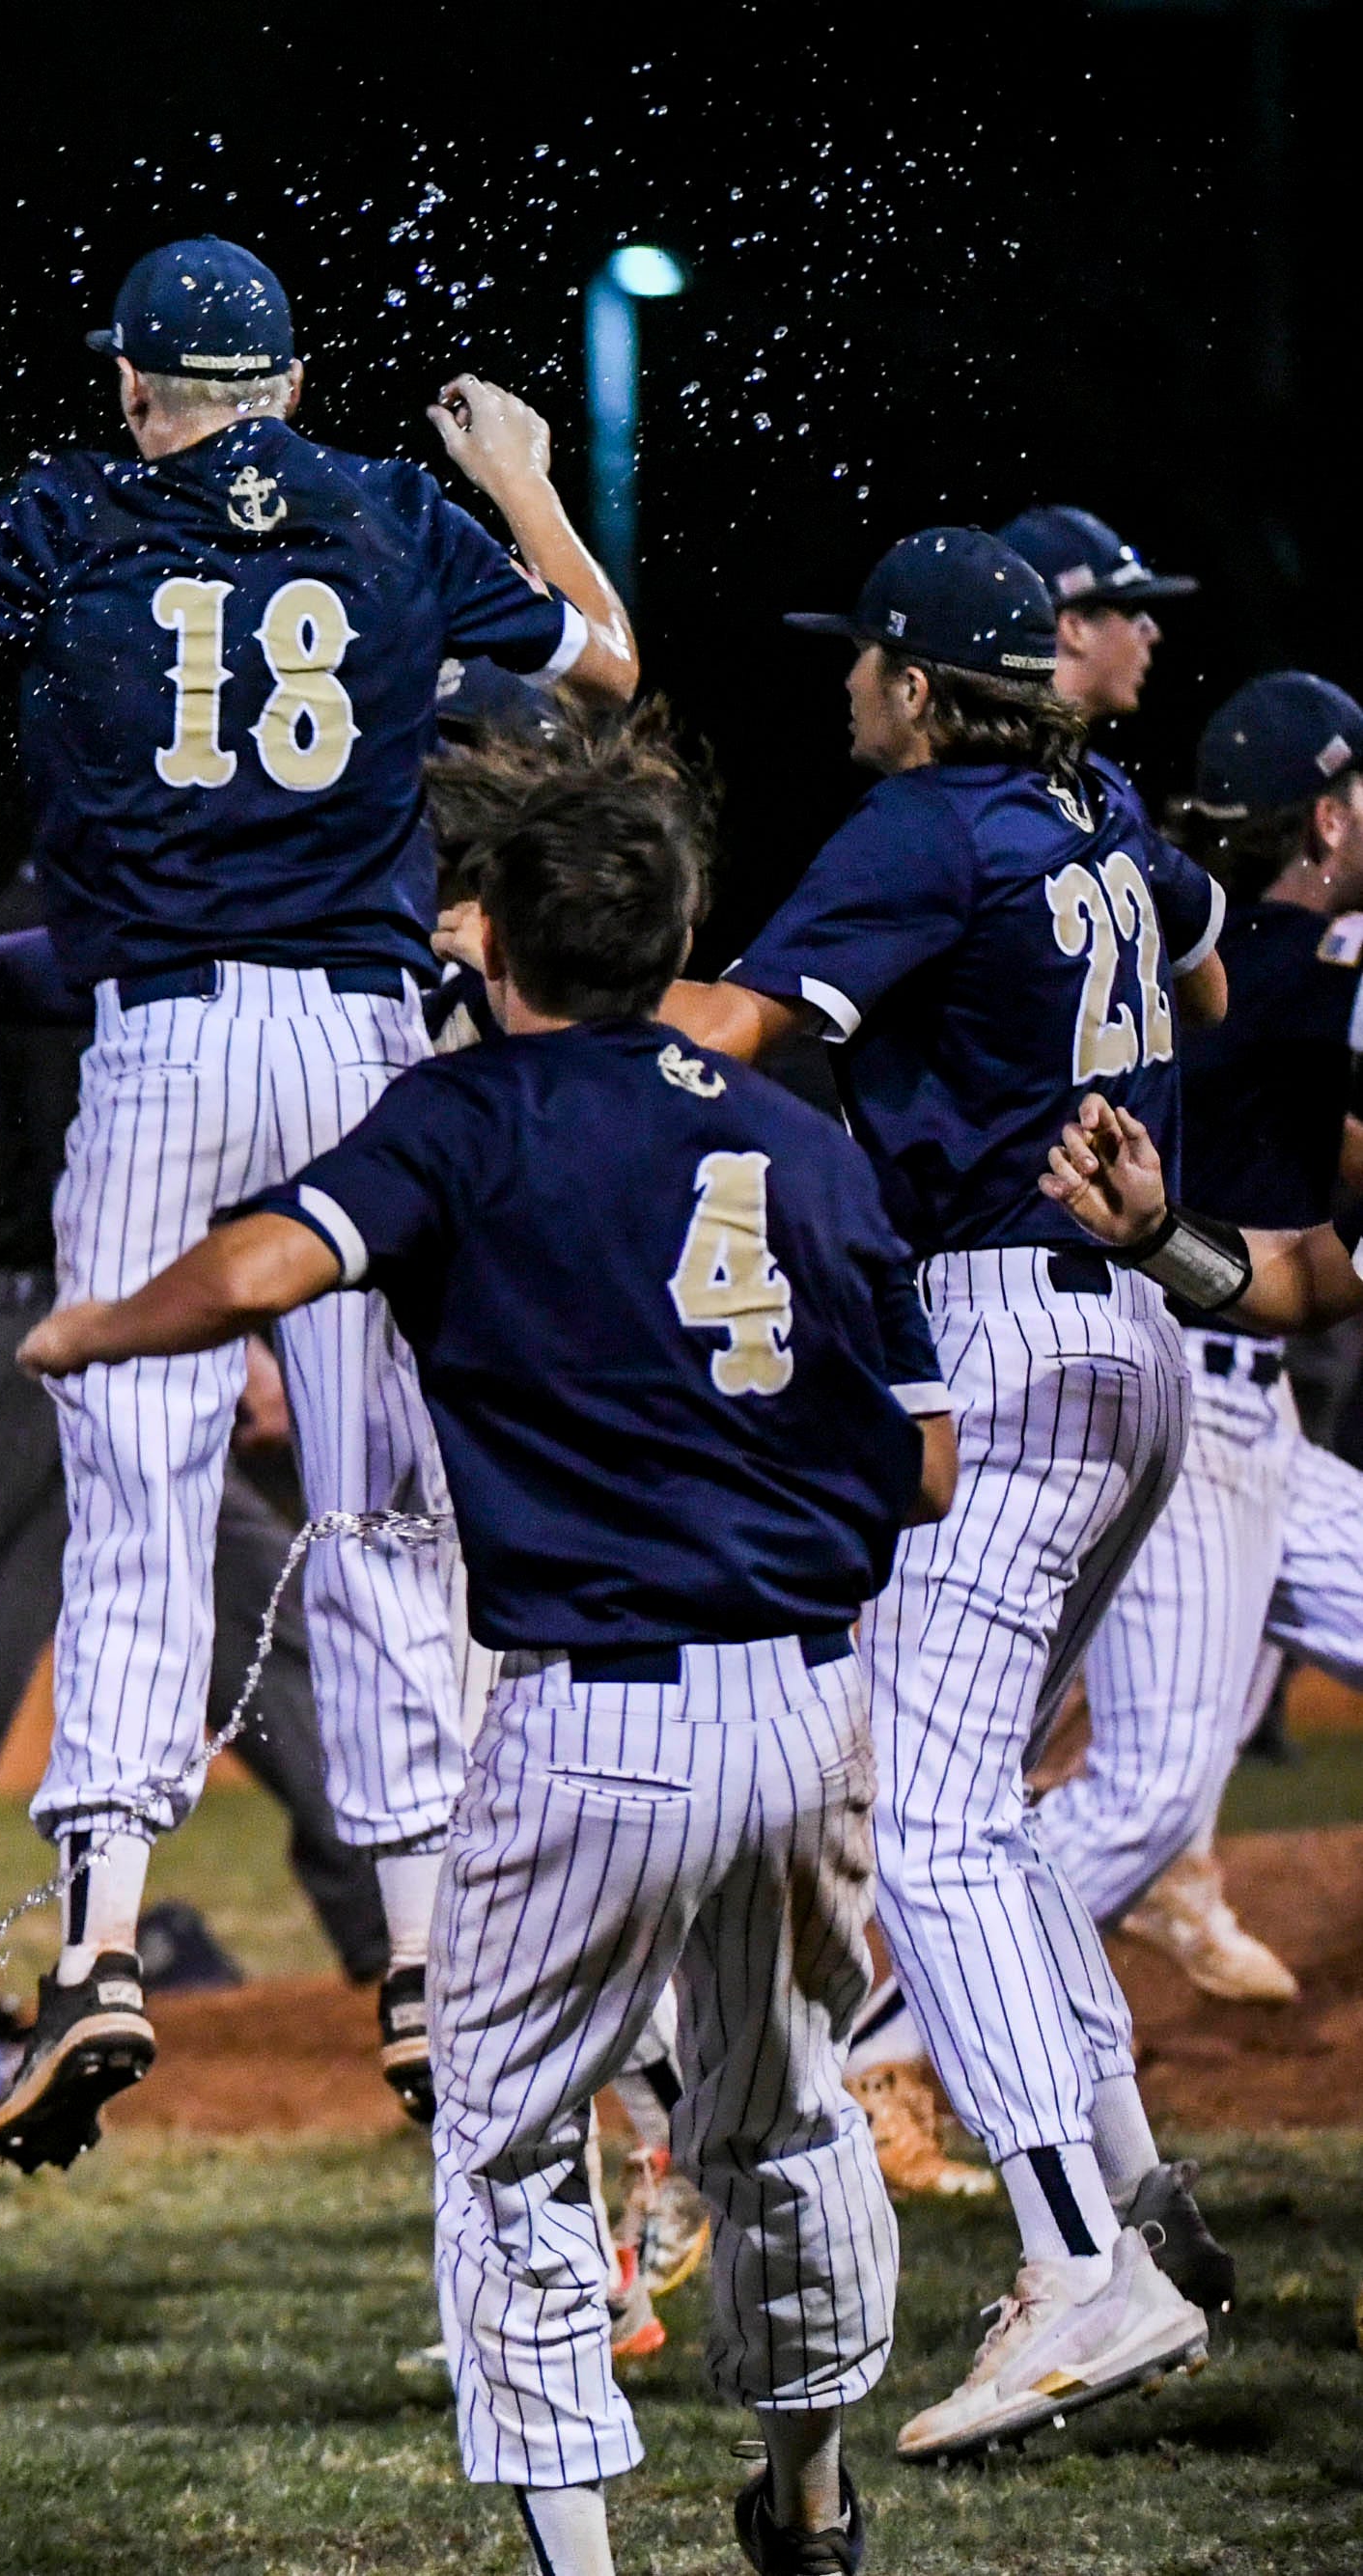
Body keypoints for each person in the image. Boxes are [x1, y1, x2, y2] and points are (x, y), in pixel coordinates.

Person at [0, 237, 637, 2172]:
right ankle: (418, 1955)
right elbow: (606, 668)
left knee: (135, 1471)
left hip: (153, 1042)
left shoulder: (80, 512)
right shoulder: (394, 516)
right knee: (388, 1497)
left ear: (142, 389)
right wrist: (522, 481)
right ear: (294, 382)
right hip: (360, 1047)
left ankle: (94, 1945)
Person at [20, 733, 940, 2576]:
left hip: (597, 1712)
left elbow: (273, 1265)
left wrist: (106, 1320)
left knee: (509, 2133)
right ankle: (814, 2499)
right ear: (679, 932)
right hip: (813, 1705)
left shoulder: (470, 1110)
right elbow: (920, 1461)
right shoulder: (795, 1133)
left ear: (496, 944)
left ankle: (581, 2562)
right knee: (787, 2111)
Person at [660, 525, 1229, 2459]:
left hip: (1006, 1330)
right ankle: (1133, 2194)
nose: (845, 689)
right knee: (976, 1806)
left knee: (929, 1828)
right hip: (1130, 1337)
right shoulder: (1091, 815)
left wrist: (547, 1047)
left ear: (912, 683)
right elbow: (1201, 944)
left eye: (860, 663)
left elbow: (738, 1035)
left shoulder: (930, 825)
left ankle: (1083, 2259)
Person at [0, 867, 389, 2069]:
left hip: (6, 1324)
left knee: (254, 1618)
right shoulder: (101, 930)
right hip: (72, 1330)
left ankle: (395, 1923)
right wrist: (236, 1322)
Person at [1043, 673, 1363, 2006]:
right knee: (1140, 1800)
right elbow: (1307, 1271)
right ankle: (886, 2044)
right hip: (1185, 1396)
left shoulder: (1223, 978)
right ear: (1327, 824)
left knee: (1140, 1790)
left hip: (1234, 1396)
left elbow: (1313, 1274)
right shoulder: (1312, 979)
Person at [996, 506, 1196, 725]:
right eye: (1132, 611)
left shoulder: (978, 750)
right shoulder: (978, 757)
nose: (1153, 633)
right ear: (1074, 629)